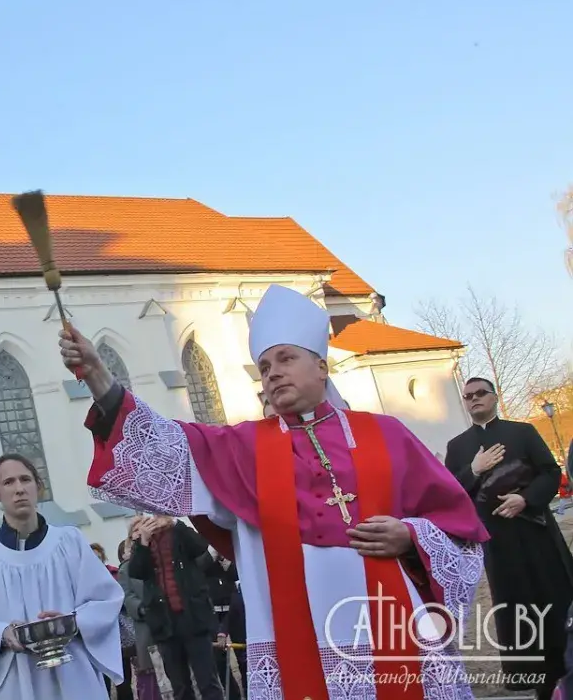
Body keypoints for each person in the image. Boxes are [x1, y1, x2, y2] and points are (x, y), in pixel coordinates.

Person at [59, 283, 490, 700]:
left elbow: (457, 528)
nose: (273, 372)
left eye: (286, 359)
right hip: (297, 633)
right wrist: (99, 376)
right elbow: (164, 443)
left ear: (321, 366)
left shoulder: (386, 434)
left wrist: (410, 537)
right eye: (265, 367)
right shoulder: (243, 445)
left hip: (392, 628)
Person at [0, 452, 124, 698]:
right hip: (16, 680)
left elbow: (106, 600)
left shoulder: (69, 542)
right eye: (8, 482)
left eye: (25, 479)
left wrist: (72, 621)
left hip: (74, 672)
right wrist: (2, 633)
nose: (19, 488)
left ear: (38, 487)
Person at [446, 377, 573, 700]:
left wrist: (526, 499)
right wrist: (473, 469)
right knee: (517, 608)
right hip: (497, 541)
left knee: (554, 598)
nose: (473, 399)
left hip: (537, 533)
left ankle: (566, 671)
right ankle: (535, 680)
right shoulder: (458, 447)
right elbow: (451, 494)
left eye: (479, 394)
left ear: (494, 397)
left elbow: (549, 472)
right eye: (468, 396)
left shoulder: (522, 432)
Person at [128, 515, 222, 700]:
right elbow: (137, 572)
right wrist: (143, 542)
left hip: (194, 619)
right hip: (165, 625)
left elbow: (200, 547)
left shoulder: (179, 533)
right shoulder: (142, 543)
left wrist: (176, 523)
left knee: (207, 682)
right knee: (180, 687)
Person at [116, 528, 163, 700]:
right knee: (151, 682)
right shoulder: (125, 569)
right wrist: (144, 608)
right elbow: (127, 597)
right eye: (134, 533)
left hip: (170, 627)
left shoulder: (161, 560)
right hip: (146, 629)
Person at [199, 544, 247, 700]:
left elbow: (237, 574)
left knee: (243, 654)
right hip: (212, 610)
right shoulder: (200, 546)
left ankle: (249, 691)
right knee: (219, 659)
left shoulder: (227, 544)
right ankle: (233, 696)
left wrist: (225, 560)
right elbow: (198, 569)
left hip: (233, 608)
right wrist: (211, 554)